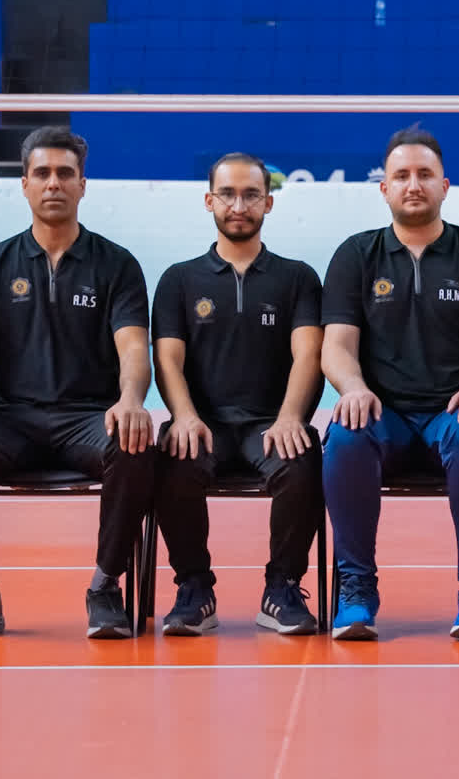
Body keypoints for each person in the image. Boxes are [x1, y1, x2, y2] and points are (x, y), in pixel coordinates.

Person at [0, 126, 153, 639]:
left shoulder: (116, 264)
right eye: (43, 173)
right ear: (25, 184)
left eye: (65, 174)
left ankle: (105, 588)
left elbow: (134, 348)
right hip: (10, 420)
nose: (54, 183)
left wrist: (130, 399)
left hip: (86, 420)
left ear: (82, 185)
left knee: (136, 442)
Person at [321, 127, 459, 641]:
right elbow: (336, 346)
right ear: (383, 188)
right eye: (402, 176)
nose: (413, 185)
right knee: (344, 437)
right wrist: (353, 388)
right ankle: (356, 590)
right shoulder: (356, 255)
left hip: (453, 413)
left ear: (444, 186)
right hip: (382, 414)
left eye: (425, 175)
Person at [151, 153, 325, 636]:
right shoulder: (179, 279)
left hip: (269, 424)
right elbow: (167, 360)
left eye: (251, 195)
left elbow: (309, 355)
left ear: (269, 203)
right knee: (172, 459)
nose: (239, 205)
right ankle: (194, 589)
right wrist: (184, 417)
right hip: (204, 424)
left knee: (302, 459)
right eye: (227, 194)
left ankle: (282, 588)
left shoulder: (298, 277)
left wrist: (291, 417)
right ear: (209, 201)